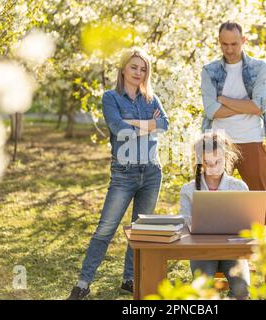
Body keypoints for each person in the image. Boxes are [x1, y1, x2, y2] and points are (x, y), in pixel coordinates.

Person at [67, 47, 169, 300]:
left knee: (140, 231)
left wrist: (133, 123)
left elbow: (164, 124)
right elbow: (117, 127)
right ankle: (83, 283)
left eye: (143, 68)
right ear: (123, 68)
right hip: (124, 174)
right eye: (134, 67)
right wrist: (147, 125)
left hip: (151, 171)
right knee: (105, 229)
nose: (138, 72)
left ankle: (130, 279)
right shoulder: (111, 97)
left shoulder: (151, 99)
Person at [201, 21, 266, 224]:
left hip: (251, 138)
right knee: (212, 204)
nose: (229, 49)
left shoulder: (259, 68)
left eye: (234, 44)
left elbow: (258, 107)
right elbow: (211, 111)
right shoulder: (209, 71)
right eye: (224, 44)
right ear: (219, 42)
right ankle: (214, 251)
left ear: (243, 41)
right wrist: (244, 105)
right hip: (217, 142)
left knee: (261, 203)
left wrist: (224, 101)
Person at [179, 132, 250, 299]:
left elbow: (248, 223)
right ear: (199, 162)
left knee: (241, 289)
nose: (213, 168)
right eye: (207, 163)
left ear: (226, 158)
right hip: (201, 250)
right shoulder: (188, 190)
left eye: (218, 162)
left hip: (233, 250)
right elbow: (183, 222)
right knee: (203, 290)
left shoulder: (239, 187)